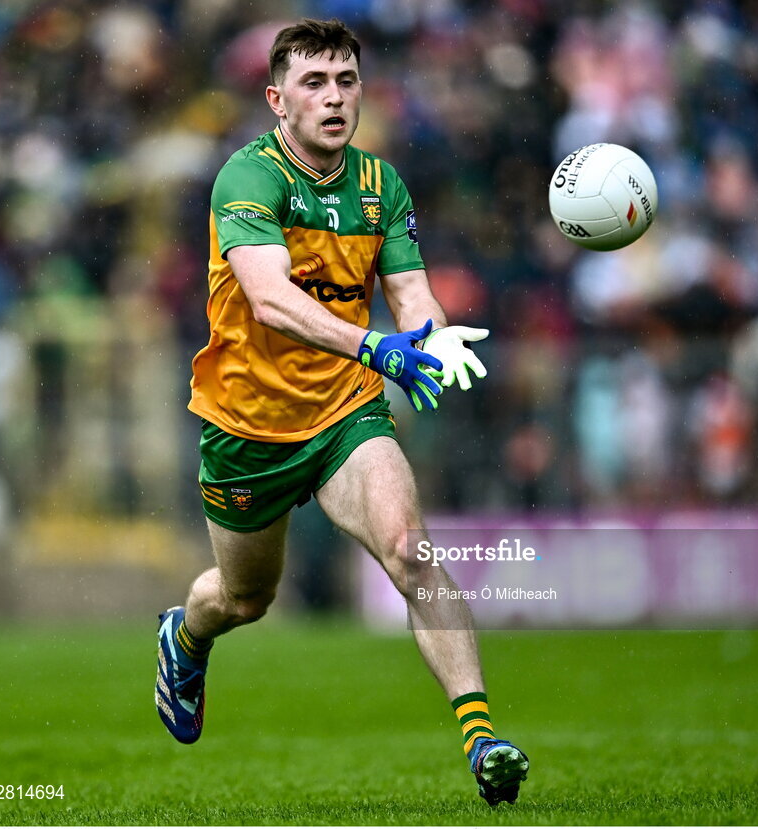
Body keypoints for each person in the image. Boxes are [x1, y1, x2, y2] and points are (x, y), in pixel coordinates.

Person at [153, 18, 529, 806]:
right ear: (276, 99)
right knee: (245, 597)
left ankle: (482, 736)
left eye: (347, 81)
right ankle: (185, 637)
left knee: (411, 550)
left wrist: (432, 334)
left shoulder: (379, 185)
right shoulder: (247, 179)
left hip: (343, 413)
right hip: (246, 424)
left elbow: (410, 292)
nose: (334, 98)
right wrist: (378, 346)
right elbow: (270, 299)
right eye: (314, 83)